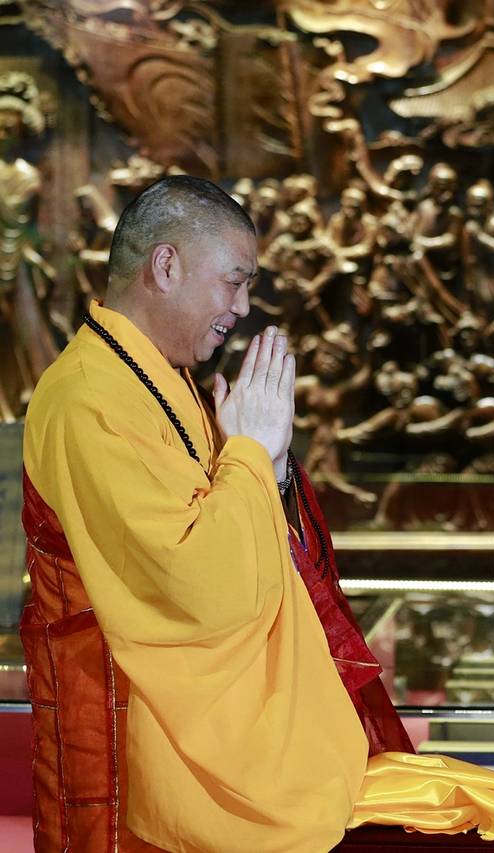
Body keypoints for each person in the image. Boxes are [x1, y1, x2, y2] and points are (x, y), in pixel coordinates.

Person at [20, 175, 411, 852]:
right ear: (165, 266)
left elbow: (245, 527)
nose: (242, 305)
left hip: (192, 731)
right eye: (234, 281)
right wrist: (251, 454)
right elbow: (202, 586)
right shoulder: (89, 397)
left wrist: (273, 465)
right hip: (132, 734)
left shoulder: (162, 378)